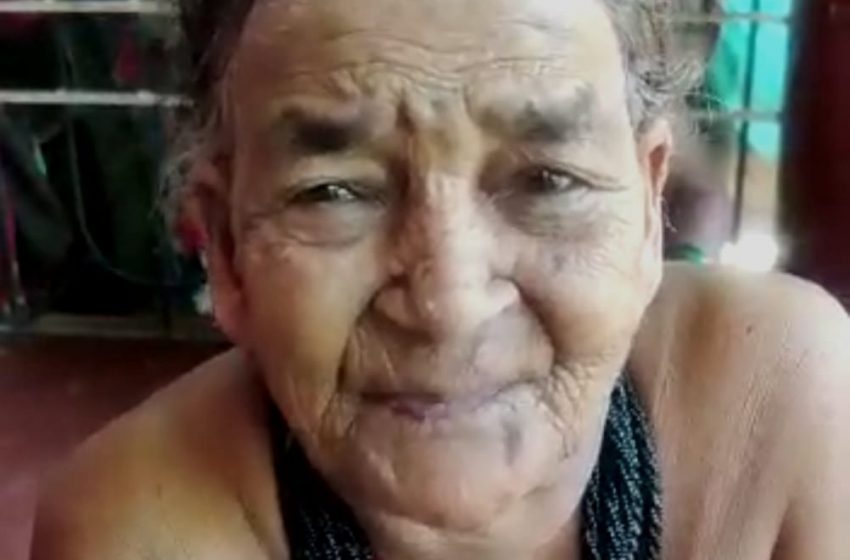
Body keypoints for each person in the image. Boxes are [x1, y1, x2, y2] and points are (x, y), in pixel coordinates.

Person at [30, 0, 850, 558]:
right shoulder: (137, 528)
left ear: (646, 205)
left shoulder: (787, 409)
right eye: (333, 192)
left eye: (547, 181)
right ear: (225, 250)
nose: (449, 304)